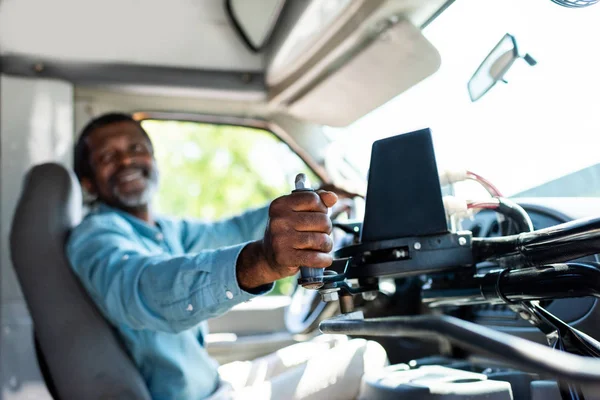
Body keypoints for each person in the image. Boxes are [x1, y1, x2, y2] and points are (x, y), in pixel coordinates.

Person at [66, 113, 386, 400]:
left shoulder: (164, 229)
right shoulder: (95, 237)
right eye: (108, 156)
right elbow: (145, 287)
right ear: (88, 182)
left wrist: (315, 201)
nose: (126, 161)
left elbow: (233, 231)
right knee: (362, 358)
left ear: (152, 158)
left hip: (212, 381)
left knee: (333, 344)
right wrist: (261, 262)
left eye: (136, 149)